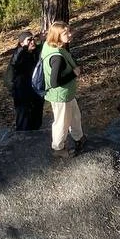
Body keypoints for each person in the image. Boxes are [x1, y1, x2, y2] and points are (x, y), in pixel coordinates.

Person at [40, 21, 84, 156]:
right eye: (66, 33)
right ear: (57, 36)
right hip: (60, 95)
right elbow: (54, 82)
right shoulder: (56, 57)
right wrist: (73, 73)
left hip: (67, 94)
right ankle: (58, 149)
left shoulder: (50, 46)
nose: (70, 35)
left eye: (69, 31)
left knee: (75, 115)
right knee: (61, 123)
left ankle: (79, 137)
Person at [8, 30, 43, 130]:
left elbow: (42, 48)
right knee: (23, 120)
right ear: (21, 43)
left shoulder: (35, 52)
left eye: (33, 39)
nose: (32, 42)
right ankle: (21, 140)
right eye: (29, 40)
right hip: (21, 92)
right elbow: (15, 60)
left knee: (36, 118)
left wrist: (42, 39)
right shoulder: (20, 54)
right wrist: (24, 47)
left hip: (35, 90)